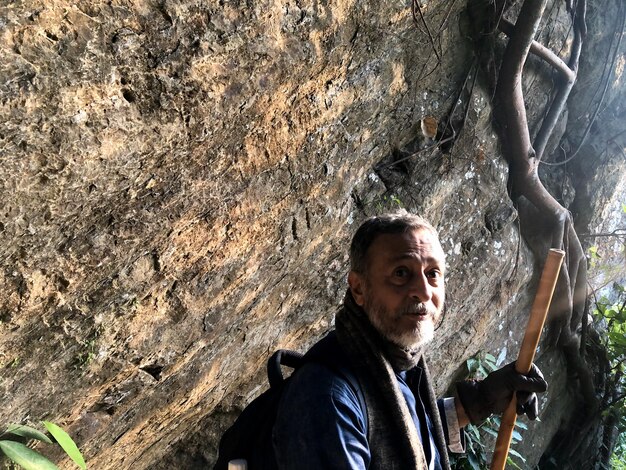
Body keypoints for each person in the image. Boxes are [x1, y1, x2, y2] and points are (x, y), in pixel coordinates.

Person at [272, 210, 547, 469]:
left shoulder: (393, 361)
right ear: (358, 288)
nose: (423, 292)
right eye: (401, 273)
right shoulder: (327, 400)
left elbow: (405, 430)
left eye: (433, 274)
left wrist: (482, 399)